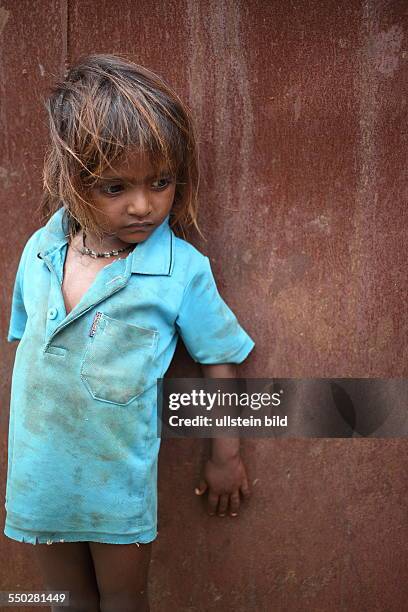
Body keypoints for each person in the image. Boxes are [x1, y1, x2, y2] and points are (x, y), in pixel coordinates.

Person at [4, 54, 255, 612]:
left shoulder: (182, 269)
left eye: (161, 182)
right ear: (72, 179)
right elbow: (31, 354)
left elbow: (219, 362)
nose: (143, 205)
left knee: (122, 600)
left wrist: (225, 456)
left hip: (117, 489)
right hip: (38, 481)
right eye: (115, 187)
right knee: (63, 601)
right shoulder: (39, 252)